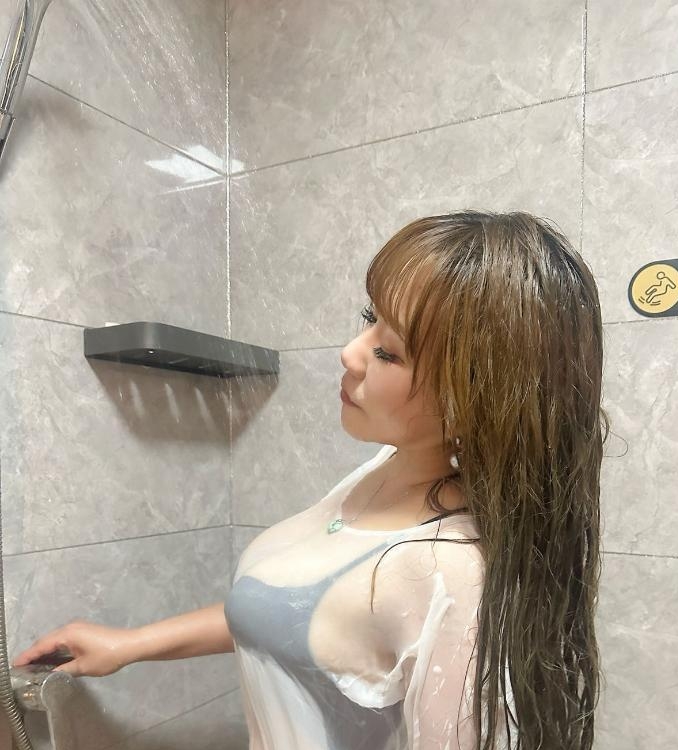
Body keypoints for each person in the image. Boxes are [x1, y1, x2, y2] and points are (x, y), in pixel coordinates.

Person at [12, 210, 609, 750]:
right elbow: (291, 616)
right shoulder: (382, 471)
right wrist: (130, 644)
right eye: (369, 320)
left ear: (473, 399)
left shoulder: (447, 573)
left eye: (389, 352)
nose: (350, 352)